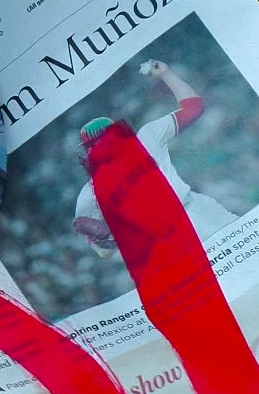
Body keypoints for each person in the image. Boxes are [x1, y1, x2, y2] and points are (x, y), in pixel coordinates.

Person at [72, 59, 238, 255]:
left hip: (196, 211)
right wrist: (106, 241)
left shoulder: (146, 137)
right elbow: (103, 252)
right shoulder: (91, 193)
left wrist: (165, 73)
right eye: (94, 145)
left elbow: (194, 107)